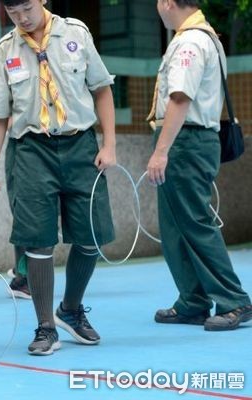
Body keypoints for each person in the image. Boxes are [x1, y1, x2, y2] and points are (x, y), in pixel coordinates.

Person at [0, 0, 117, 355]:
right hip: (30, 151)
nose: (22, 18)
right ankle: (45, 327)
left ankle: (70, 309)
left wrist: (109, 144)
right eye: (13, 13)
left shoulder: (76, 33)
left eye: (26, 7)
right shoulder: (5, 50)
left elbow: (101, 89)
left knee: (91, 236)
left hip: (81, 147)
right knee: (37, 241)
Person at [148, 0, 252, 331]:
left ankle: (234, 300)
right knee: (175, 227)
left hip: (186, 141)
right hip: (188, 139)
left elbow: (180, 97)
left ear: (167, 2)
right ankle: (192, 301)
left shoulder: (191, 40)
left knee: (194, 222)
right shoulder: (201, 36)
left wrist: (162, 150)